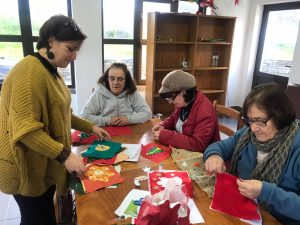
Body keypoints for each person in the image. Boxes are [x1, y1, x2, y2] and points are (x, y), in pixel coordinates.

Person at [0, 15, 111, 225]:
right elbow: (27, 130)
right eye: (71, 49)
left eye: (77, 50)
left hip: (43, 164)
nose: (75, 56)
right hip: (26, 168)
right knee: (37, 219)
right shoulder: (29, 72)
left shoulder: (50, 71)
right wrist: (66, 156)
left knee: (46, 216)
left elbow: (61, 113)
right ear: (51, 41)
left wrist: (91, 126)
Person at [204, 83, 300, 225]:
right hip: (241, 211)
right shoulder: (247, 134)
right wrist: (214, 155)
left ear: (280, 116)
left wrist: (266, 192)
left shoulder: (296, 147)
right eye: (250, 120)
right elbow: (219, 147)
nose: (254, 128)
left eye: (260, 121)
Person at [152, 70, 220, 152]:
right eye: (168, 98)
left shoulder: (205, 112)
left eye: (171, 96)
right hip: (183, 150)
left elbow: (198, 144)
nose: (170, 101)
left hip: (204, 156)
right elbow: (174, 118)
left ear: (184, 92)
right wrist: (164, 125)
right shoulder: (184, 102)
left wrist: (168, 136)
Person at [80, 63, 152, 126]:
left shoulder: (132, 93)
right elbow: (84, 116)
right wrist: (108, 120)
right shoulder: (99, 94)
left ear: (126, 81)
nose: (115, 82)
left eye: (120, 79)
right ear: (107, 79)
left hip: (129, 132)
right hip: (105, 132)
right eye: (112, 79)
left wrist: (129, 119)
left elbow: (147, 113)